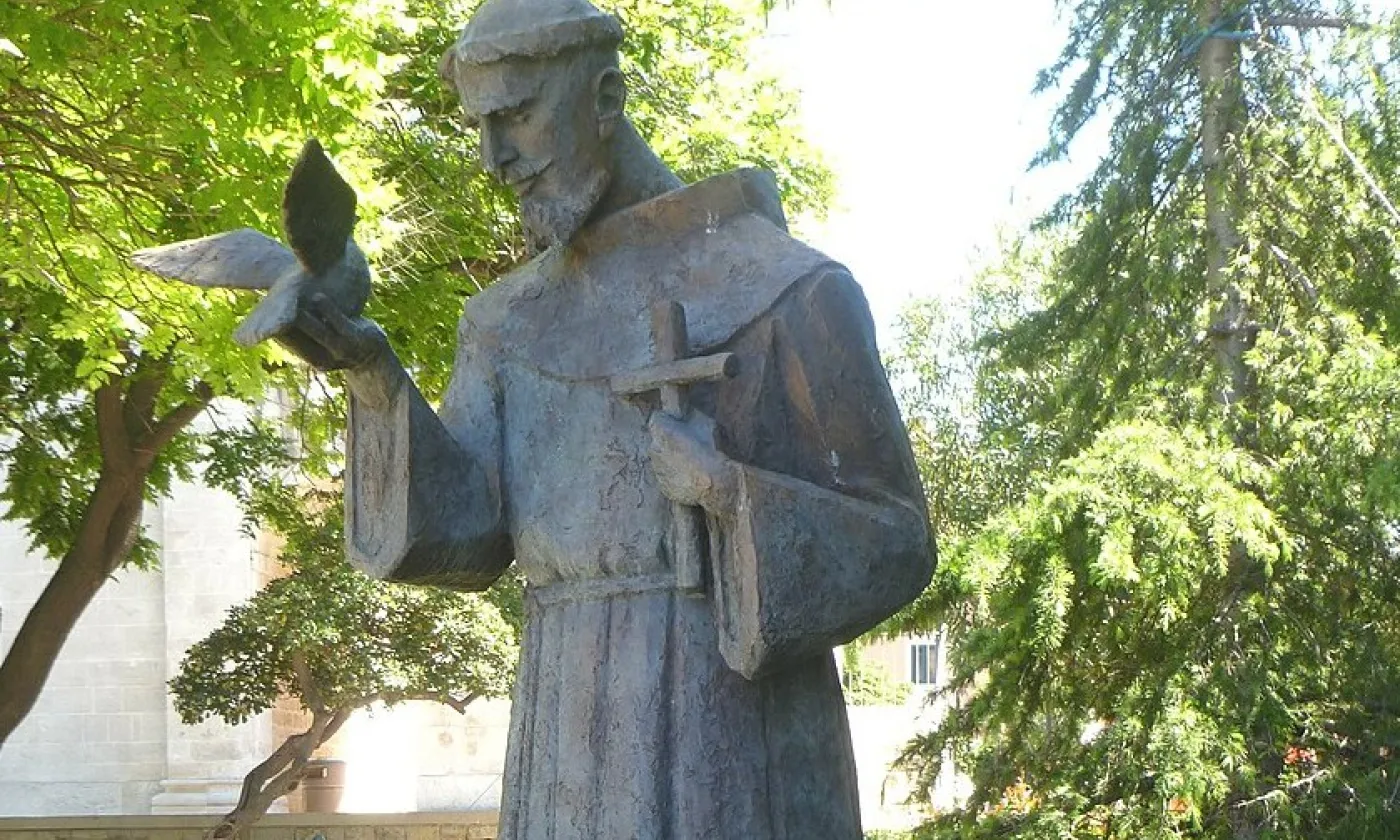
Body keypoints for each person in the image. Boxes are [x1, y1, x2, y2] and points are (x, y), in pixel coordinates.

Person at [291, 0, 934, 836]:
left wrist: (733, 495)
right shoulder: (504, 323)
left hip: (736, 745)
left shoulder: (787, 288)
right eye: (480, 126)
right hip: (566, 738)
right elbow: (465, 535)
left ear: (605, 97)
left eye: (517, 115)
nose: (494, 158)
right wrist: (373, 376)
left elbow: (896, 538)